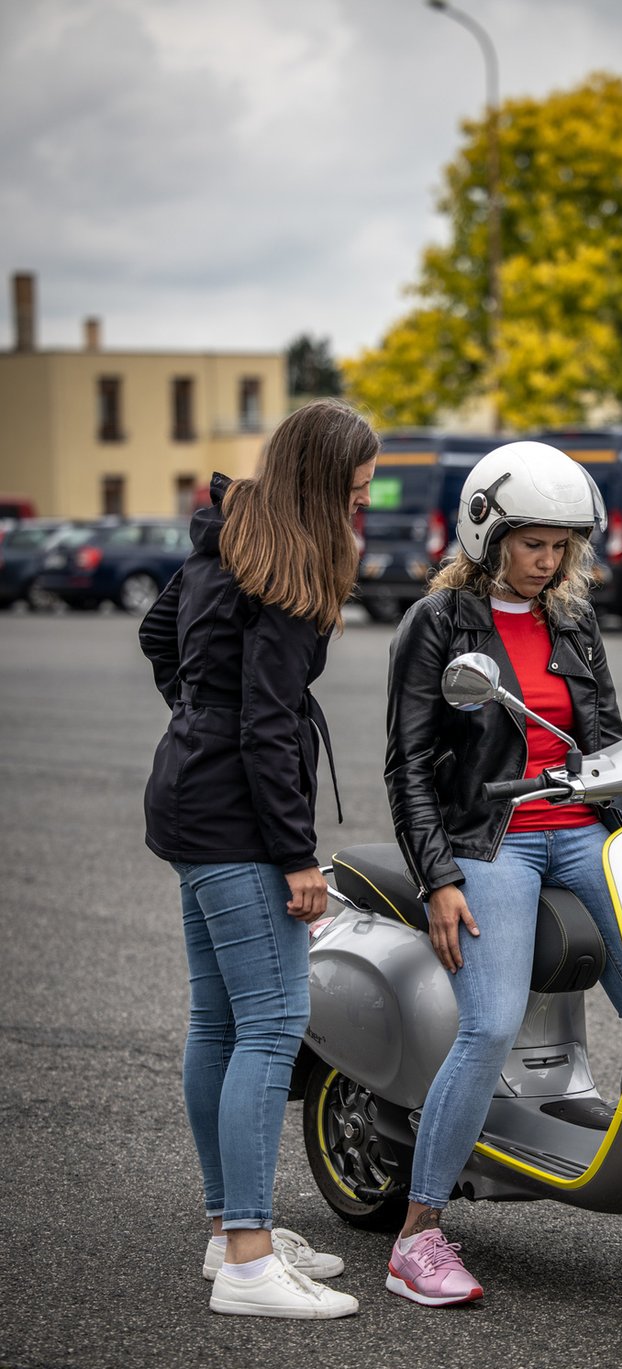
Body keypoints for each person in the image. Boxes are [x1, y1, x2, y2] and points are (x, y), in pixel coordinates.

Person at [383, 440, 622, 1307]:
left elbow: (605, 741)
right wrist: (439, 875)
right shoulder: (438, 623)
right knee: (488, 1025)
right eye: (534, 543)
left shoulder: (573, 619)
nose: (550, 561)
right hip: (495, 839)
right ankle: (418, 1235)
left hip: (585, 834)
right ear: (486, 531)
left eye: (562, 546)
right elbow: (408, 766)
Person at [139, 398, 379, 1319]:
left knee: (221, 1018)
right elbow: (270, 727)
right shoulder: (288, 570)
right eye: (356, 486)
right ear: (322, 481)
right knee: (274, 1021)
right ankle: (247, 1258)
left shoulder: (231, 532)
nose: (364, 501)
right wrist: (298, 857)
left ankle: (228, 1236)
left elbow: (160, 639)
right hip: (235, 819)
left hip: (188, 795)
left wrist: (197, 713)